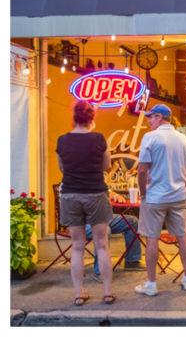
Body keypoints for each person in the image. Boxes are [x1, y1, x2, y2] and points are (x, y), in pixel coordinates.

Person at [56, 100, 116, 306]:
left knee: (77, 247)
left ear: (74, 117)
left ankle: (78, 294)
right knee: (102, 244)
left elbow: (62, 168)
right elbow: (107, 166)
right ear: (92, 118)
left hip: (70, 195)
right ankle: (107, 293)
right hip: (95, 194)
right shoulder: (98, 138)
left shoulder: (62, 141)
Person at [134, 104, 186, 296]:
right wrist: (184, 190)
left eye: (150, 117)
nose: (148, 121)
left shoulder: (150, 138)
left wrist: (143, 193)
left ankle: (151, 284)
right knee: (183, 236)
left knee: (152, 238)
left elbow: (142, 170)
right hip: (178, 196)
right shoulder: (185, 139)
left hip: (155, 197)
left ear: (159, 117)